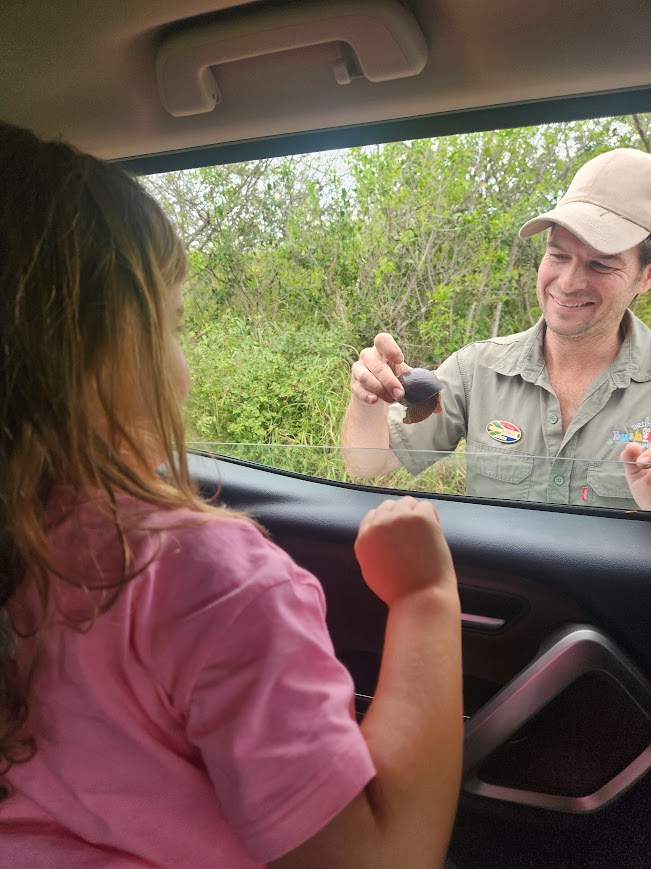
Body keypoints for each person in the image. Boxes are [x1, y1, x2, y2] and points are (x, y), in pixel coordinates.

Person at [0, 122, 463, 868]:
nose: (180, 367)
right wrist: (424, 598)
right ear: (91, 349)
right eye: (171, 323)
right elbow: (383, 856)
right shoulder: (198, 575)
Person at [342, 148, 651, 510]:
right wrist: (369, 397)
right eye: (558, 255)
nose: (568, 283)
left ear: (645, 277)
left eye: (600, 265)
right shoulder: (477, 369)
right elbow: (368, 464)